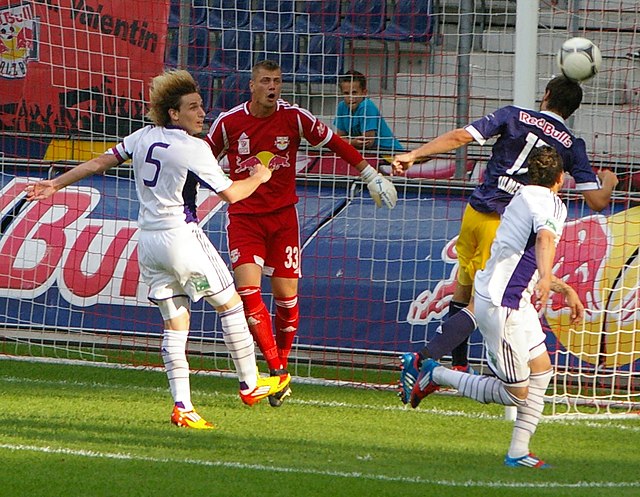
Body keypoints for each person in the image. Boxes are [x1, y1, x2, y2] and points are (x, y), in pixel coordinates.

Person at [24, 69, 291, 429]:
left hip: (148, 243)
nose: (202, 114)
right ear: (173, 114)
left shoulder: (142, 137)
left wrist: (55, 183)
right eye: (193, 108)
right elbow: (231, 194)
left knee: (175, 323)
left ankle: (182, 405)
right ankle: (250, 382)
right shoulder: (193, 148)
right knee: (230, 305)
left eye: (201, 107)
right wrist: (259, 176)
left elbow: (100, 162)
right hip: (182, 239)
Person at [393, 76, 618, 403]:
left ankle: (459, 365)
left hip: (474, 211)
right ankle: (424, 360)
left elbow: (460, 137)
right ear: (572, 109)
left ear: (546, 95)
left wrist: (415, 154)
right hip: (503, 223)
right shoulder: (571, 145)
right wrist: (609, 182)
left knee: (464, 287)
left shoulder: (513, 115)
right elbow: (597, 201)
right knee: (480, 302)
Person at [205, 60, 397, 407]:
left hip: (282, 220)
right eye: (265, 81)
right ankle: (278, 372)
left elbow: (334, 142)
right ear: (252, 86)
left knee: (287, 300)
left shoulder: (294, 117)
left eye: (277, 81)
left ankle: (281, 361)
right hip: (245, 218)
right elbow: (201, 159)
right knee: (248, 293)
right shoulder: (229, 122)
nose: (272, 87)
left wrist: (370, 174)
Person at [410, 146, 584, 468]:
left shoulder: (519, 198)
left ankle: (518, 450)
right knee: (516, 394)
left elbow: (524, 258)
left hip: (511, 299)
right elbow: (545, 241)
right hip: (504, 307)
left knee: (542, 371)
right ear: (560, 179)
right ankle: (438, 374)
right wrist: (547, 278)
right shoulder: (551, 204)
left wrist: (560, 286)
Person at [334, 70, 405, 153]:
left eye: (354, 93)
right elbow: (340, 138)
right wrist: (352, 142)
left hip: (388, 152)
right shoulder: (341, 107)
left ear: (364, 93)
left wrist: (348, 142)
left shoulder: (367, 107)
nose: (350, 97)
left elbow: (367, 143)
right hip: (366, 152)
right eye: (346, 93)